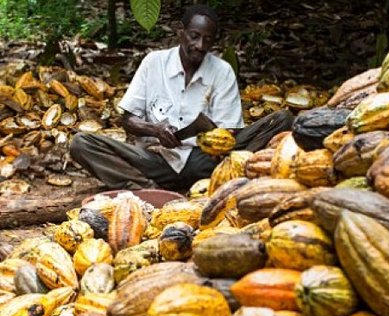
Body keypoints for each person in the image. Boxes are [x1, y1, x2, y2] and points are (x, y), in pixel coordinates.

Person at [70, 4, 294, 191]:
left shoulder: (222, 71)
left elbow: (231, 135)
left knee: (281, 120)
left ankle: (218, 180)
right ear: (181, 32)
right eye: (195, 37)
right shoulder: (154, 62)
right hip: (155, 160)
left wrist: (211, 130)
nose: (200, 46)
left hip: (204, 161)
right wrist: (155, 130)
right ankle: (146, 189)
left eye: (208, 40)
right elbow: (127, 120)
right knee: (81, 143)